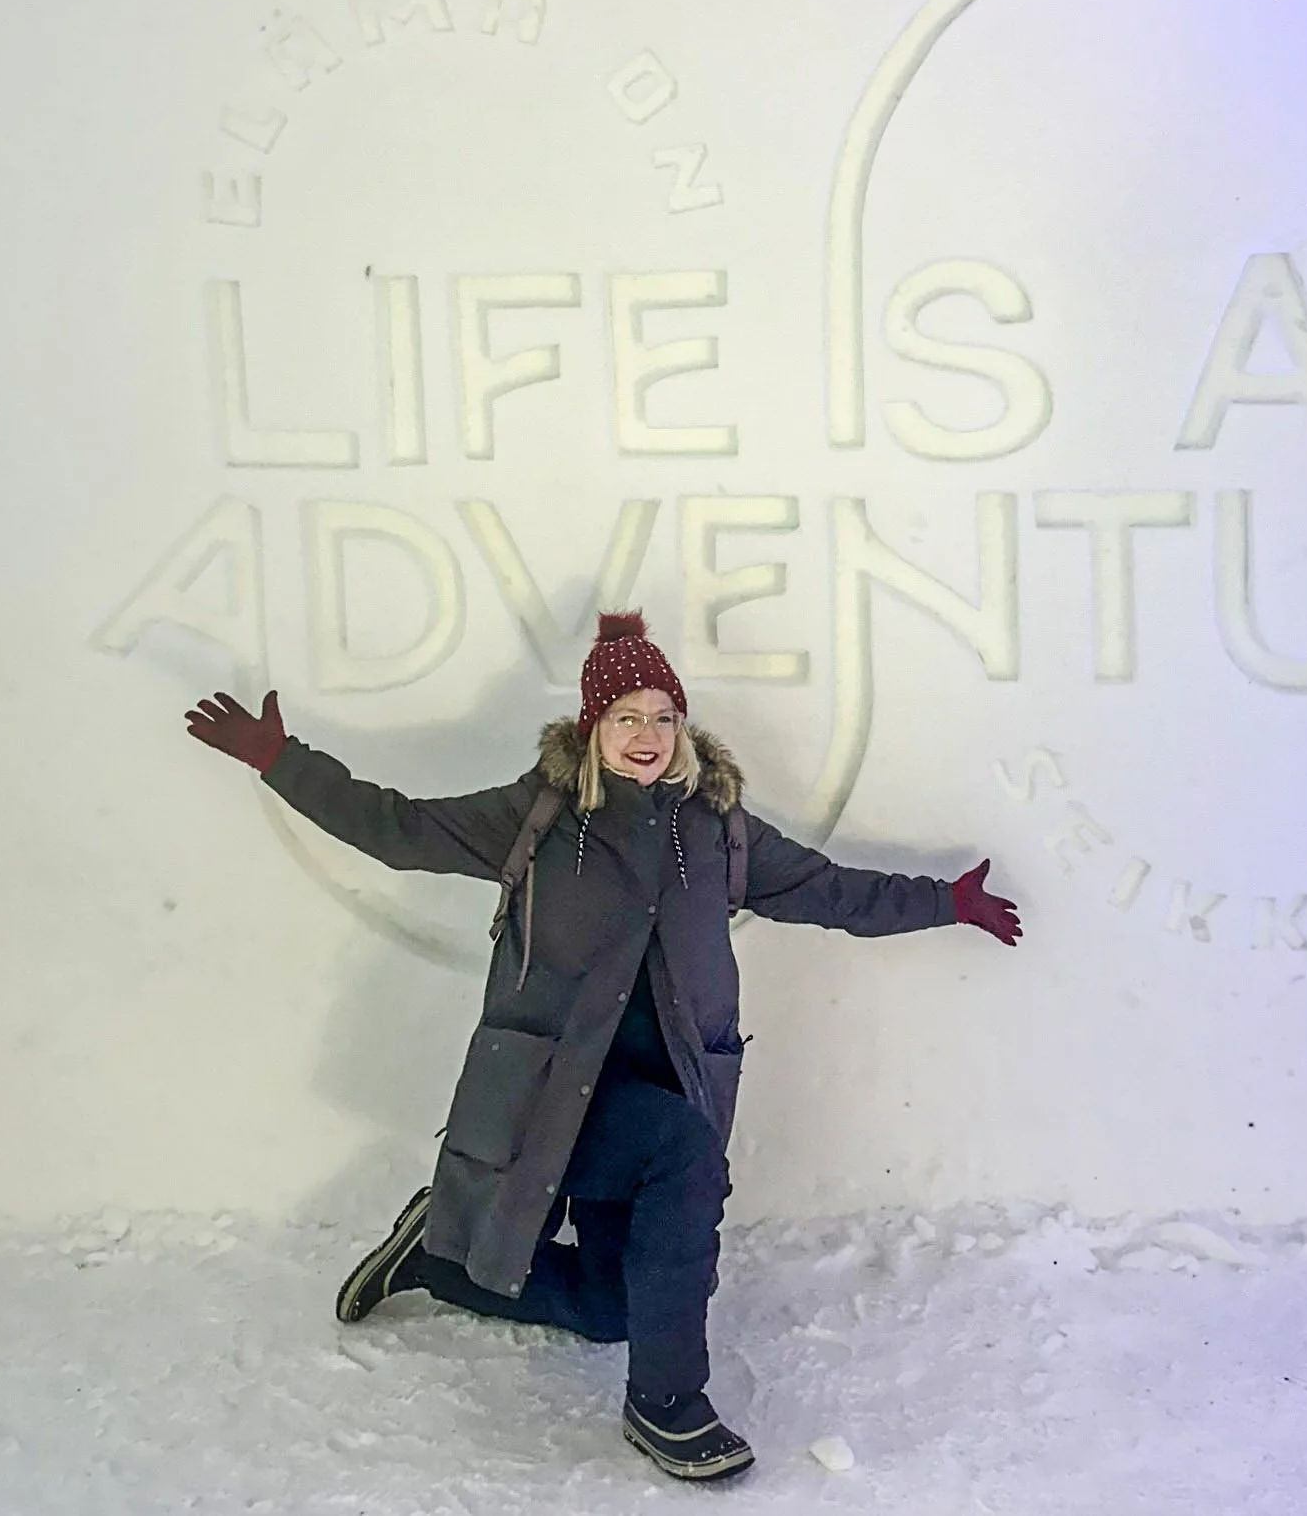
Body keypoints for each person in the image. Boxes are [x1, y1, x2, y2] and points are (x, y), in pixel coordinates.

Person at [185, 611, 1021, 1484]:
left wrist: (946, 902)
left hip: (666, 1090)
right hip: (548, 1098)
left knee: (617, 1305)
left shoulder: (721, 828)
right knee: (685, 1159)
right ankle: (667, 1405)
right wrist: (282, 762)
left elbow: (830, 889)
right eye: (625, 716)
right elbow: (397, 828)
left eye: (664, 716)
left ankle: (433, 1257)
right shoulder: (539, 818)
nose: (647, 735)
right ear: (593, 729)